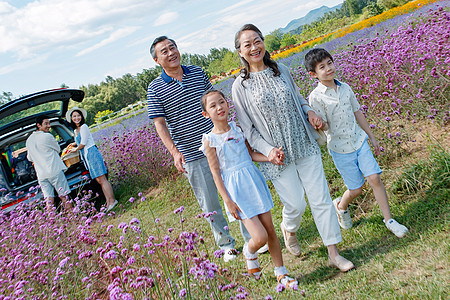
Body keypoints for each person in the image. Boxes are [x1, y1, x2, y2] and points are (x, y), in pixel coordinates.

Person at [232, 24, 354, 272]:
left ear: (263, 43)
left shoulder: (281, 69)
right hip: (277, 156)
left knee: (320, 199)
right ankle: (290, 228)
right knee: (296, 204)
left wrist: (309, 111)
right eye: (248, 44)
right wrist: (268, 151)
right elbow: (248, 130)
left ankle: (333, 252)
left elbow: (298, 98)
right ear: (240, 52)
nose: (254, 47)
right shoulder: (239, 87)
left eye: (257, 41)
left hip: (303, 143)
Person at [147, 36, 262, 262]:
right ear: (156, 60)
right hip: (191, 152)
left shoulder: (197, 72)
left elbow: (213, 99)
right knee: (209, 201)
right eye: (164, 51)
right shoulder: (155, 88)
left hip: (220, 145)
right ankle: (226, 244)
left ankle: (251, 237)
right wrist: (174, 151)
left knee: (235, 191)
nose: (171, 53)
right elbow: (159, 123)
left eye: (173, 47)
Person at [305, 48, 409, 238]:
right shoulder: (316, 97)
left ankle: (390, 220)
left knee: (375, 178)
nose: (329, 68)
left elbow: (357, 112)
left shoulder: (345, 87)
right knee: (356, 189)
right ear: (313, 74)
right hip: (339, 148)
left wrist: (371, 136)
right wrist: (320, 123)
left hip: (358, 140)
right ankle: (341, 206)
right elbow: (324, 126)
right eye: (322, 67)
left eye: (330, 63)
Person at [200, 90, 298, 288]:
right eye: (213, 106)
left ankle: (281, 273)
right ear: (206, 114)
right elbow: (216, 173)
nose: (219, 107)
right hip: (236, 191)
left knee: (270, 230)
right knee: (259, 237)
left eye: (222, 102)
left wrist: (270, 157)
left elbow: (251, 154)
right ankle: (249, 251)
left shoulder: (237, 129)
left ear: (228, 105)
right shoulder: (210, 140)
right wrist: (228, 201)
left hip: (253, 182)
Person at [67, 107, 118, 212]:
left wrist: (75, 149)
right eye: (74, 116)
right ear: (71, 118)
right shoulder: (76, 130)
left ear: (81, 117)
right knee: (99, 180)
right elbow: (79, 141)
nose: (77, 118)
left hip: (92, 153)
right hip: (87, 156)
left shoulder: (84, 127)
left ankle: (112, 201)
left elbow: (83, 142)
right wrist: (72, 144)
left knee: (102, 179)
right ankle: (108, 202)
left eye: (78, 115)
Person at [26, 115, 71, 210]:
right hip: (54, 171)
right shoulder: (47, 136)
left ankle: (52, 220)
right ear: (38, 125)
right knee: (64, 195)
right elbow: (58, 149)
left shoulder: (29, 140)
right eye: (46, 123)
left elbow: (30, 158)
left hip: (41, 175)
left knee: (49, 199)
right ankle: (73, 216)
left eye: (49, 123)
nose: (49, 126)